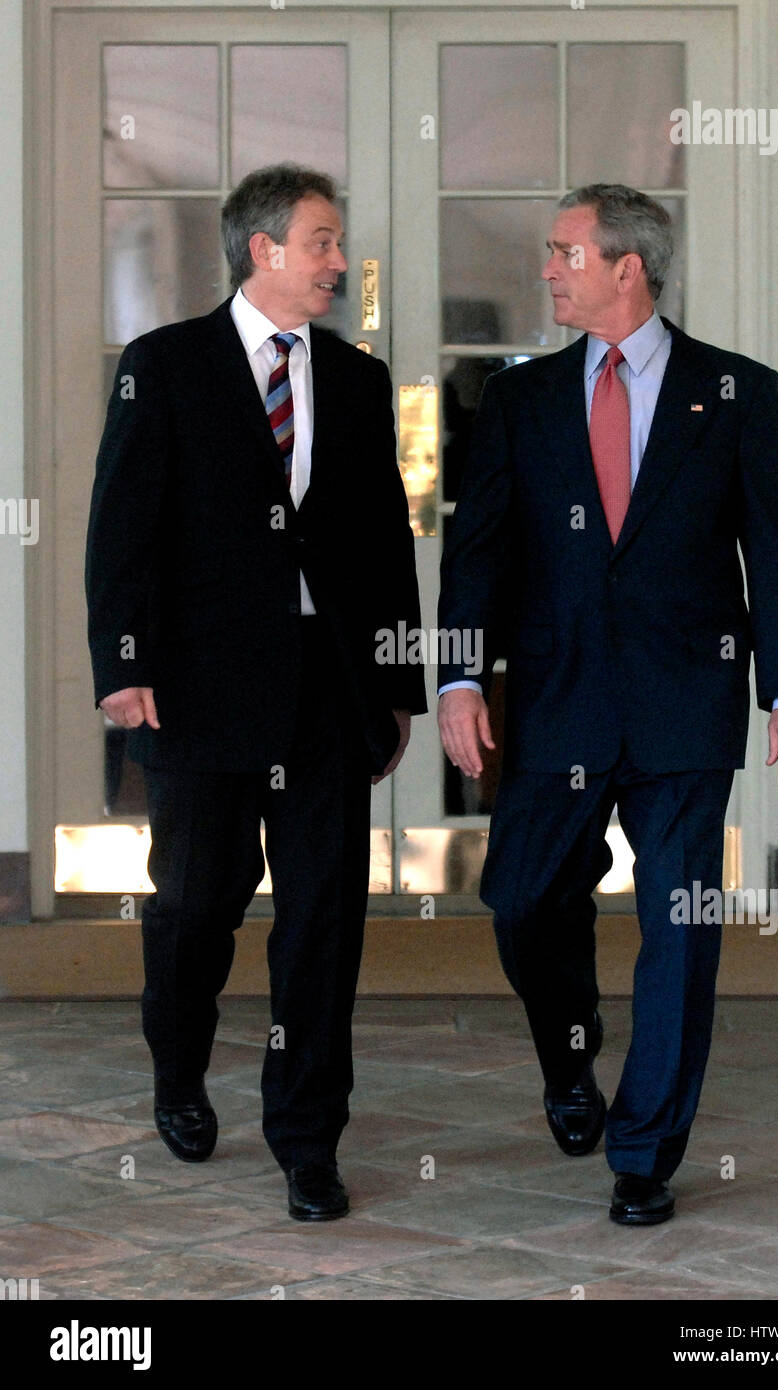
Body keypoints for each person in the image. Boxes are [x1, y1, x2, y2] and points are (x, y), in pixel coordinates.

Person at [437, 184, 778, 1225]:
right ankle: (572, 1059)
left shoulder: (738, 392)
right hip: (556, 701)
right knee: (520, 900)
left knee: (680, 925)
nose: (548, 269)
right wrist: (460, 675)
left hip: (687, 705)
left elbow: (774, 550)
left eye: (564, 252)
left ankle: (645, 1152)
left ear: (626, 268)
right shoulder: (519, 400)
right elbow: (479, 554)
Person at [86, 163, 426, 1222]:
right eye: (322, 241)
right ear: (263, 248)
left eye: (338, 242)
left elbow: (381, 546)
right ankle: (179, 1071)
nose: (338, 262)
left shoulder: (360, 381)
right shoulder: (166, 365)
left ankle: (307, 1139)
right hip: (196, 692)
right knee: (197, 906)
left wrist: (397, 684)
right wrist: (124, 666)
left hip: (328, 693)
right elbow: (121, 531)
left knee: (323, 921)